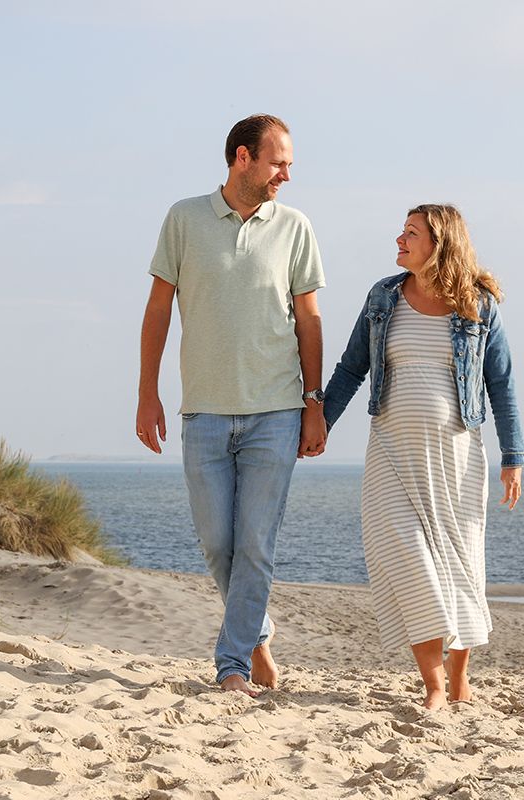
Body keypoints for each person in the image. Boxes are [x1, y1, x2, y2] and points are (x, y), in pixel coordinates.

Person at [135, 114, 327, 697]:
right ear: (242, 158)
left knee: (256, 545)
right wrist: (147, 393)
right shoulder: (184, 219)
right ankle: (257, 638)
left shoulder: (295, 228)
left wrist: (313, 401)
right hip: (205, 413)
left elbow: (309, 319)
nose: (286, 175)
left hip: (275, 411)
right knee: (219, 543)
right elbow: (158, 310)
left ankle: (232, 664)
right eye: (278, 163)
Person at [323, 204, 524, 710]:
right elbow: (351, 369)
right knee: (408, 561)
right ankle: (434, 685)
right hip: (391, 452)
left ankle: (459, 683)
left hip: (457, 459)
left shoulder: (479, 304)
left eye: (410, 233)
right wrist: (318, 425)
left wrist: (513, 455)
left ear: (440, 243)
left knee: (461, 571)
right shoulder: (383, 298)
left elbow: (501, 383)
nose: (399, 238)